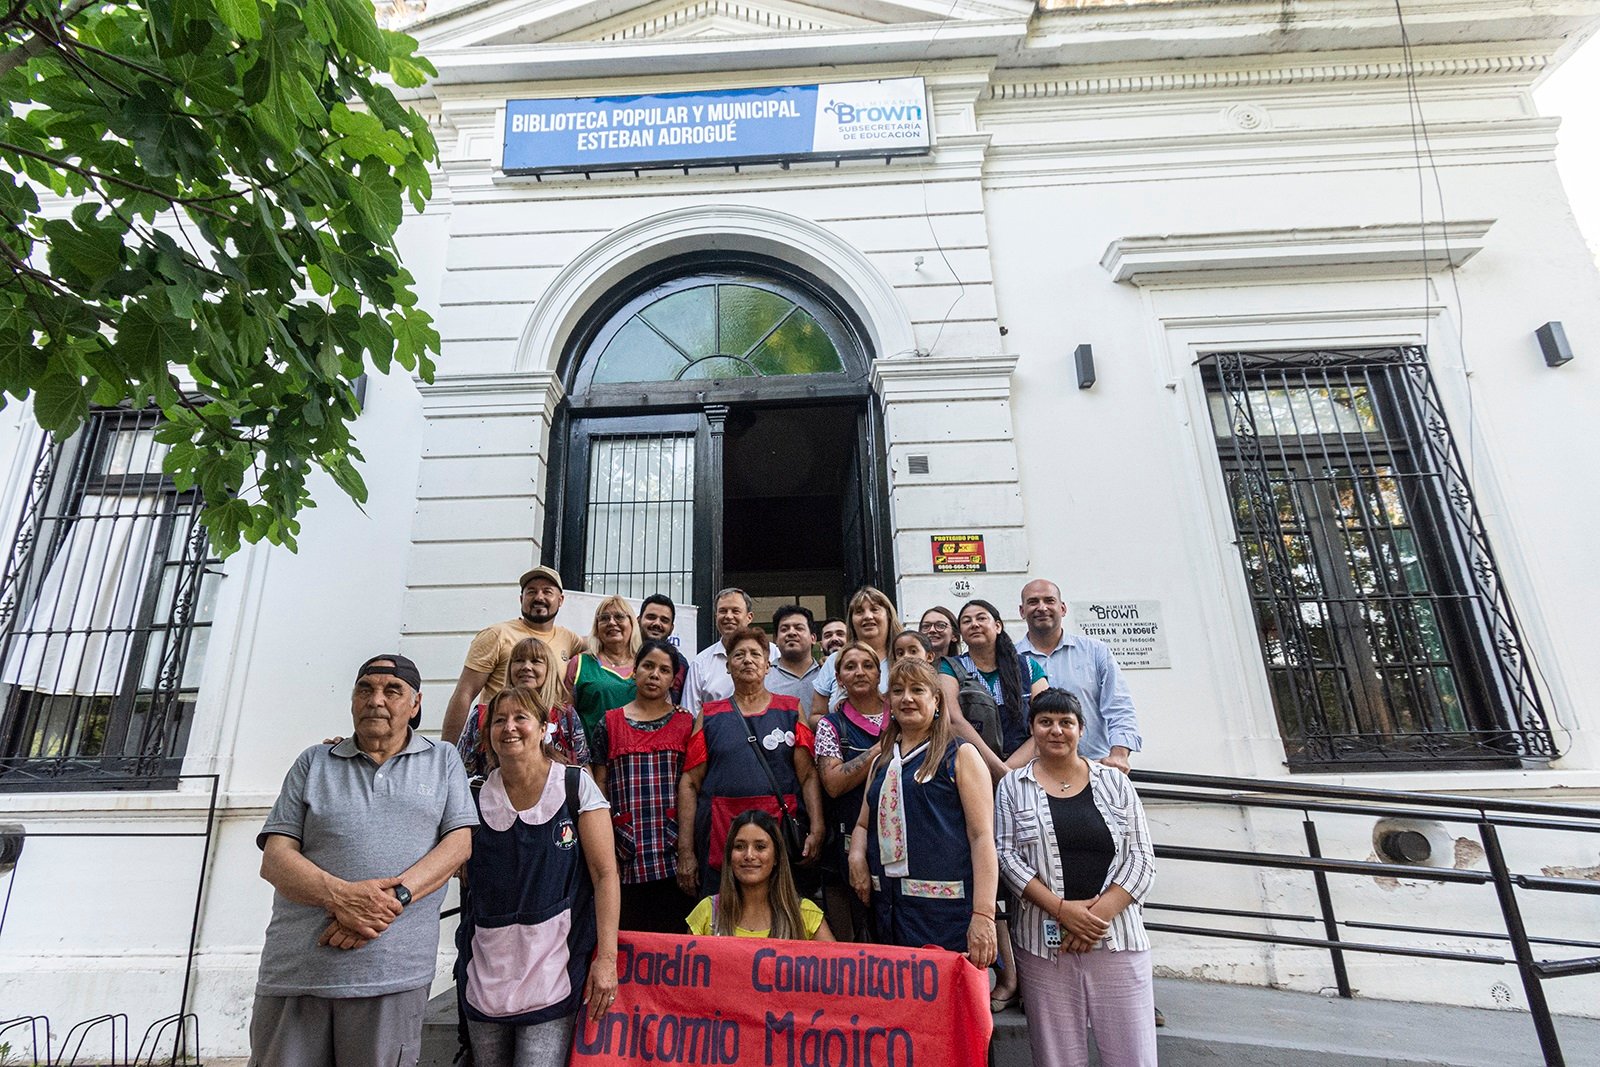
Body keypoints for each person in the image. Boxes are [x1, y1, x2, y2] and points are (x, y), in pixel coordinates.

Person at [250, 655, 476, 1067]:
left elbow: (459, 844)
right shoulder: (314, 761)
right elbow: (276, 859)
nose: (376, 700)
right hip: (299, 972)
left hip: (392, 974)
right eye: (365, 689)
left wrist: (391, 901)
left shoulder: (443, 760)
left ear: (416, 703)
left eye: (393, 691)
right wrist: (341, 897)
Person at [455, 685, 621, 1066]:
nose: (509, 727)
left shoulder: (575, 786)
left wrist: (606, 959)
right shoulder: (472, 797)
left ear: (545, 727)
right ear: (487, 734)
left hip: (553, 969)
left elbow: (605, 875)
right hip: (487, 970)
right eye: (499, 720)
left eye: (520, 718)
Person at [994, 689, 1156, 1067]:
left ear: (1081, 729)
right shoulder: (1011, 787)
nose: (1056, 730)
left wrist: (1091, 920)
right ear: (1032, 729)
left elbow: (1142, 858)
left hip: (1117, 939)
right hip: (1044, 945)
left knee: (1133, 1053)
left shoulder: (1115, 783)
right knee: (1057, 1057)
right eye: (1045, 722)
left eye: (1066, 722)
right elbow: (1007, 857)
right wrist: (1063, 912)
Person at [848, 658, 998, 970]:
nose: (907, 698)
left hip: (944, 915)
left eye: (917, 690)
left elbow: (982, 836)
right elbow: (863, 822)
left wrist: (984, 914)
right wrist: (856, 856)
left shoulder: (960, 754)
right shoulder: (882, 760)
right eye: (899, 691)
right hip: (888, 910)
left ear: (936, 699)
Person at [676, 626, 825, 896]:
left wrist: (817, 827)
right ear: (728, 667)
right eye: (739, 655)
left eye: (756, 654)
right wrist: (686, 851)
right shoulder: (709, 715)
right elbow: (689, 783)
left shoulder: (791, 709)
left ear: (768, 666)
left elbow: (808, 775)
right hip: (720, 834)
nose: (747, 660)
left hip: (779, 831)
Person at [590, 639, 697, 934]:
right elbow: (600, 787)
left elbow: (694, 786)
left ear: (673, 679)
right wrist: (606, 847)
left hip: (675, 854)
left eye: (664, 670)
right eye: (648, 666)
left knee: (677, 946)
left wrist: (688, 851)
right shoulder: (608, 724)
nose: (654, 674)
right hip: (626, 852)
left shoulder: (687, 723)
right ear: (634, 670)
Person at [442, 567, 583, 745]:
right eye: (531, 592)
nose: (539, 597)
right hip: (500, 741)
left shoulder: (568, 639)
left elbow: (602, 645)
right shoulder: (497, 635)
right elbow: (465, 693)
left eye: (547, 592)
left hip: (546, 746)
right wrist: (447, 752)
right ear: (521, 598)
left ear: (560, 600)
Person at [1018, 579, 1143, 775]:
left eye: (1049, 600)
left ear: (1063, 608)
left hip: (1096, 767)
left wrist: (1119, 753)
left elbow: (1119, 706)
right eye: (1033, 602)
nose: (1042, 608)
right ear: (1022, 611)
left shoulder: (1095, 652)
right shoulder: (1012, 661)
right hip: (1035, 774)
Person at [814, 641, 886, 941]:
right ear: (839, 678)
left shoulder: (903, 713)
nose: (860, 672)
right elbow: (832, 784)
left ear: (879, 674)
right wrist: (876, 753)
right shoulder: (831, 725)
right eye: (850, 666)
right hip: (847, 844)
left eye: (868, 665)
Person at [688, 810, 834, 940]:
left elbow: (837, 969)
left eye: (760, 847)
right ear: (729, 856)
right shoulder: (707, 912)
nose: (749, 855)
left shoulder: (805, 915)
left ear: (777, 857)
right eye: (739, 847)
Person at [456, 637, 587, 778]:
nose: (526, 667)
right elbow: (462, 772)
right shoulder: (482, 715)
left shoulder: (565, 717)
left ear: (549, 669)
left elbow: (582, 766)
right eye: (519, 660)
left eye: (536, 661)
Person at [808, 586, 900, 723]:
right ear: (851, 621)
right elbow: (815, 717)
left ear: (889, 616)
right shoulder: (834, 661)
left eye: (875, 609)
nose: (868, 616)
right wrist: (844, 726)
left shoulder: (904, 657)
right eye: (859, 611)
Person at [681, 588, 778, 716]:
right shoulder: (701, 663)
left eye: (735, 611)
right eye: (723, 611)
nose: (728, 616)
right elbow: (691, 714)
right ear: (716, 617)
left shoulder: (774, 653)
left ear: (749, 617)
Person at [565, 595, 640, 737]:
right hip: (591, 756)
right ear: (597, 627)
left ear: (632, 623)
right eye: (604, 618)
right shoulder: (580, 663)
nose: (611, 623)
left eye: (619, 617)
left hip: (635, 755)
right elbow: (567, 718)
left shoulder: (645, 665)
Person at [638, 593, 689, 704]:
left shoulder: (681, 664)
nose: (657, 623)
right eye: (651, 617)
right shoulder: (623, 656)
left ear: (671, 628)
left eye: (664, 620)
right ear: (638, 620)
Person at [766, 604, 821, 703]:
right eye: (784, 629)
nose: (791, 633)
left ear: (813, 638)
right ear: (776, 640)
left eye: (799, 628)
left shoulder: (825, 673)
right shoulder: (764, 677)